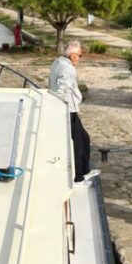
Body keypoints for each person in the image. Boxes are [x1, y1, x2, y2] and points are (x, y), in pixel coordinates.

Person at [49, 39, 95, 182]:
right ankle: (78, 175)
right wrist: (60, 109)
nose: (79, 59)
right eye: (79, 56)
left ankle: (84, 170)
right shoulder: (69, 68)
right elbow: (60, 90)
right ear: (73, 55)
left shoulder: (57, 62)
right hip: (68, 110)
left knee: (84, 138)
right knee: (78, 142)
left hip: (68, 109)